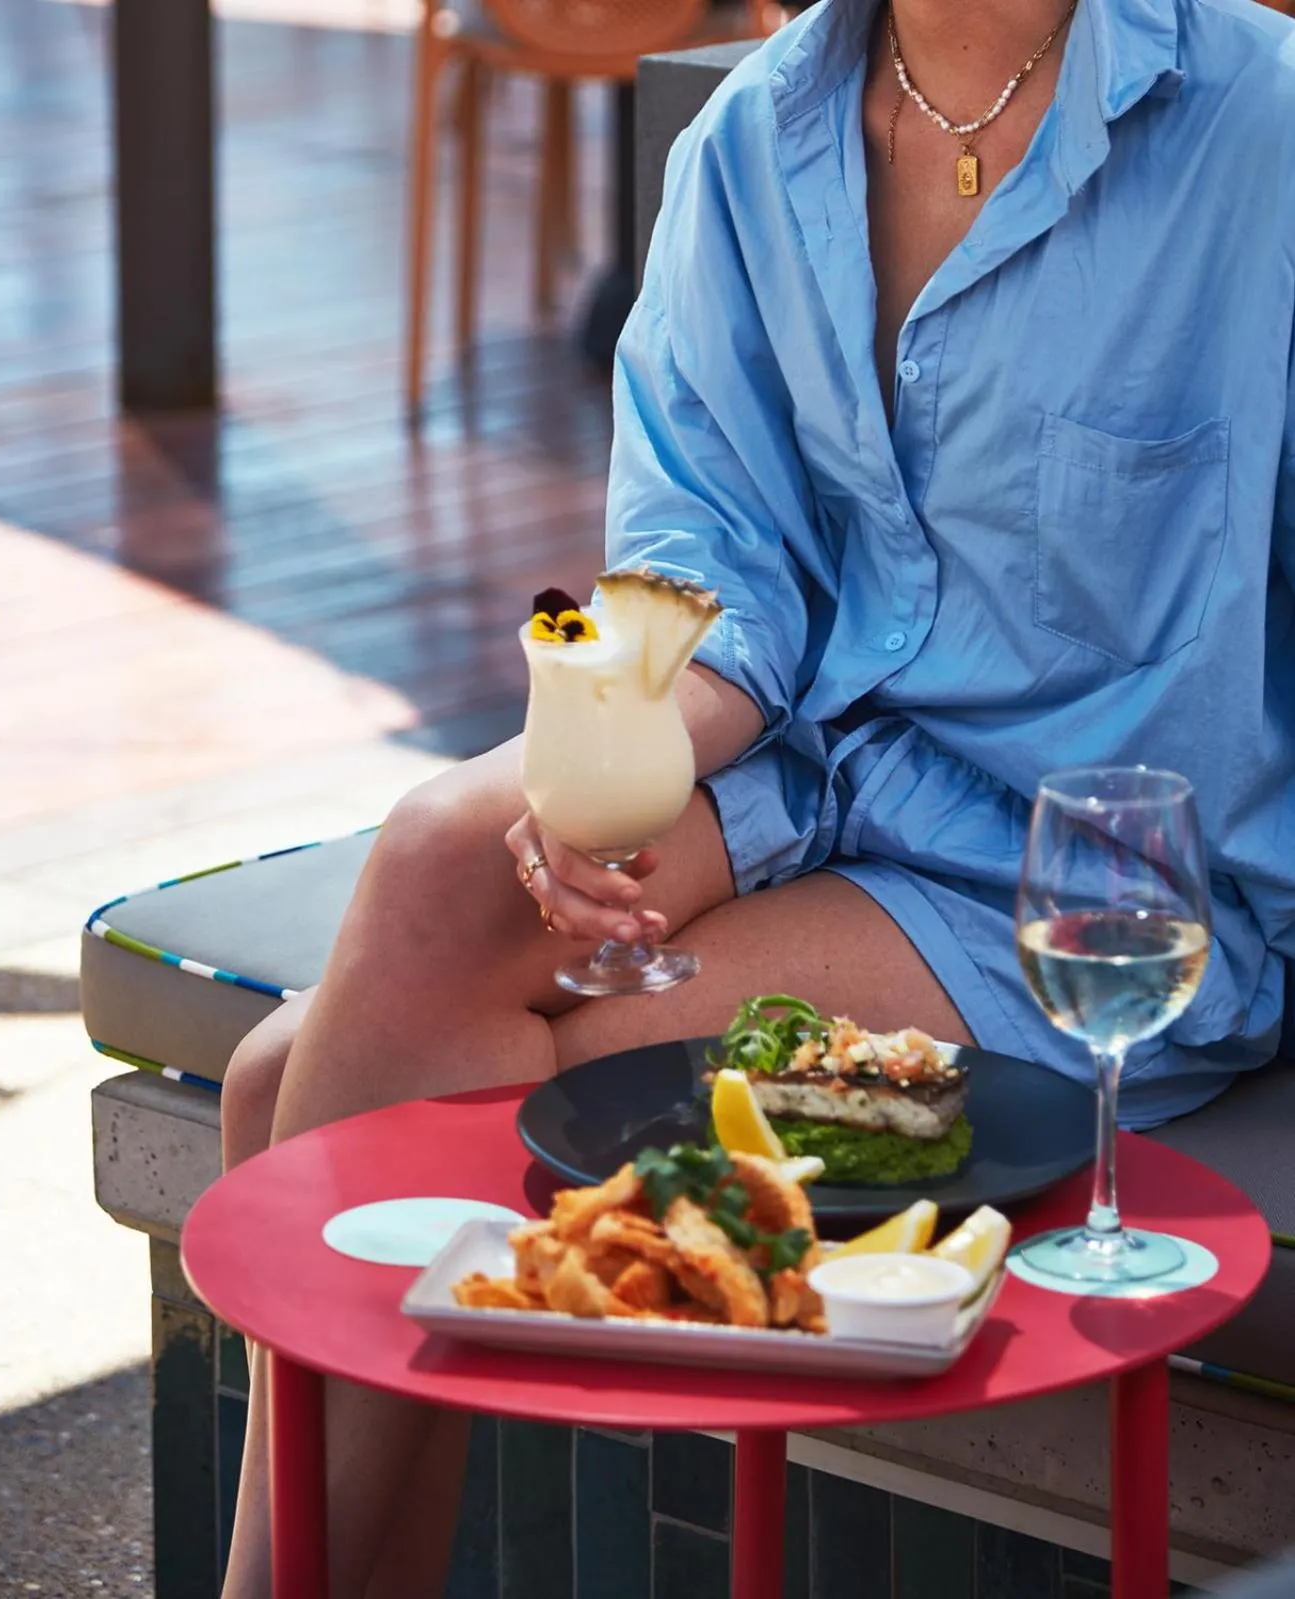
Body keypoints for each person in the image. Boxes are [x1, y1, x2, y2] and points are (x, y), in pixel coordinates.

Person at [219, 0, 1295, 1590]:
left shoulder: (1258, 131)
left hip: (1063, 873)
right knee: (449, 846)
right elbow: (709, 566)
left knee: (288, 1084)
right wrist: (628, 740)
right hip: (815, 768)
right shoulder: (756, 143)